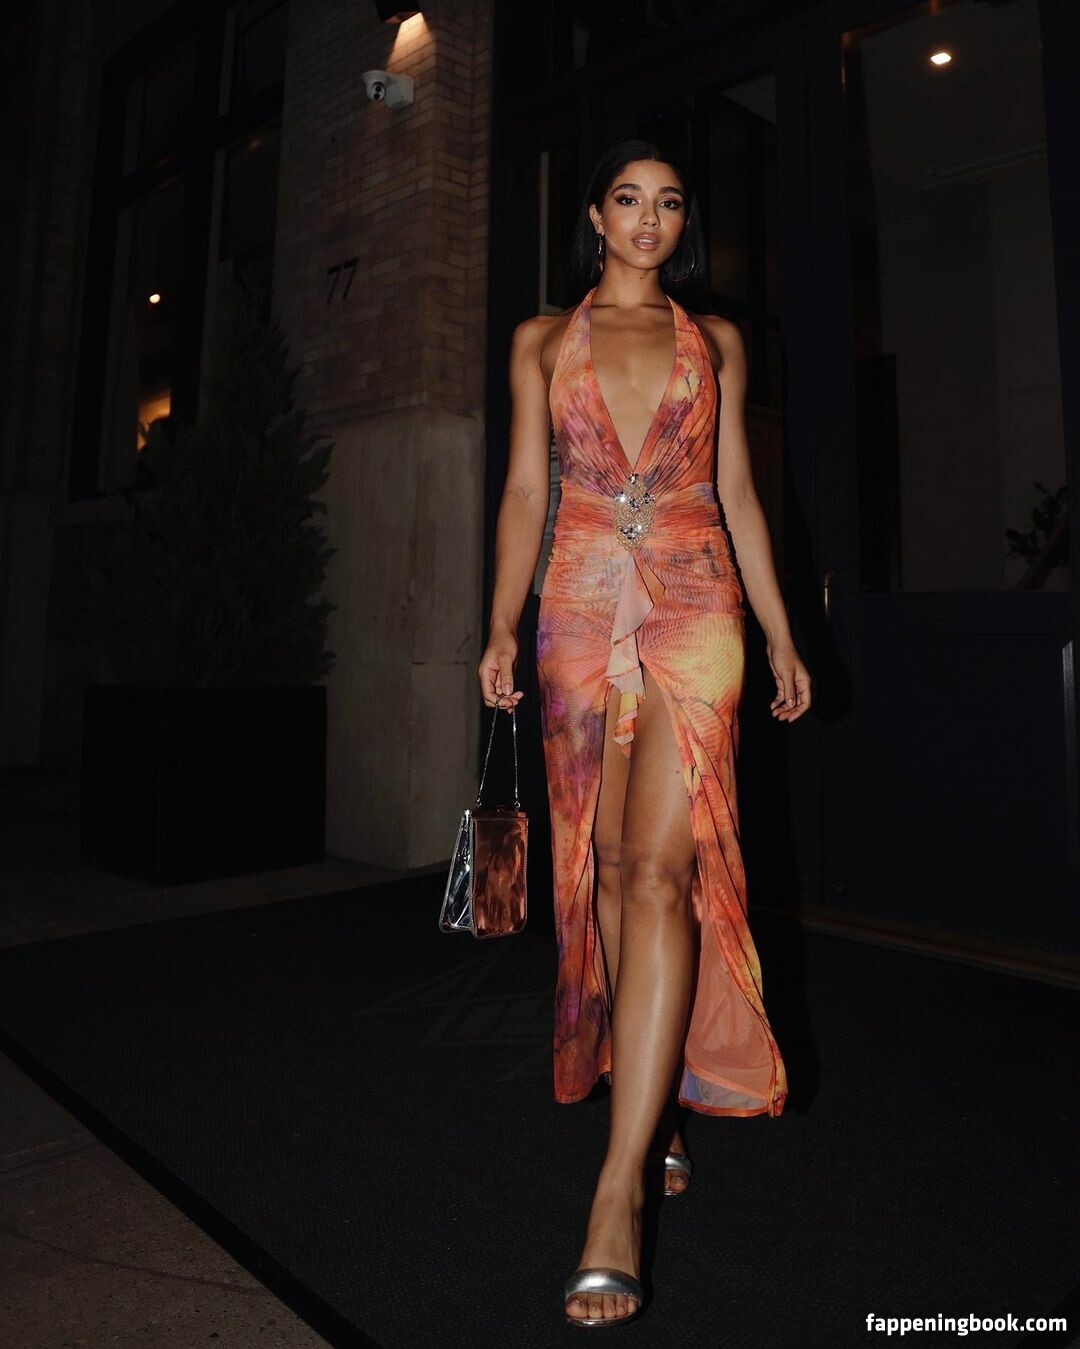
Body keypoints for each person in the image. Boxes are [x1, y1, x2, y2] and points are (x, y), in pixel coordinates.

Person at [477, 139, 812, 1328]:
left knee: (664, 868)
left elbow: (740, 494)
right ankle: (652, 1101)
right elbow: (527, 490)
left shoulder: (714, 341)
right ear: (595, 216)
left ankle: (617, 1191)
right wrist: (499, 623)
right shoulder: (539, 339)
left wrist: (781, 633)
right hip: (575, 603)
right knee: (606, 871)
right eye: (629, 199)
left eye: (670, 203)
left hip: (697, 599)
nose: (649, 219)